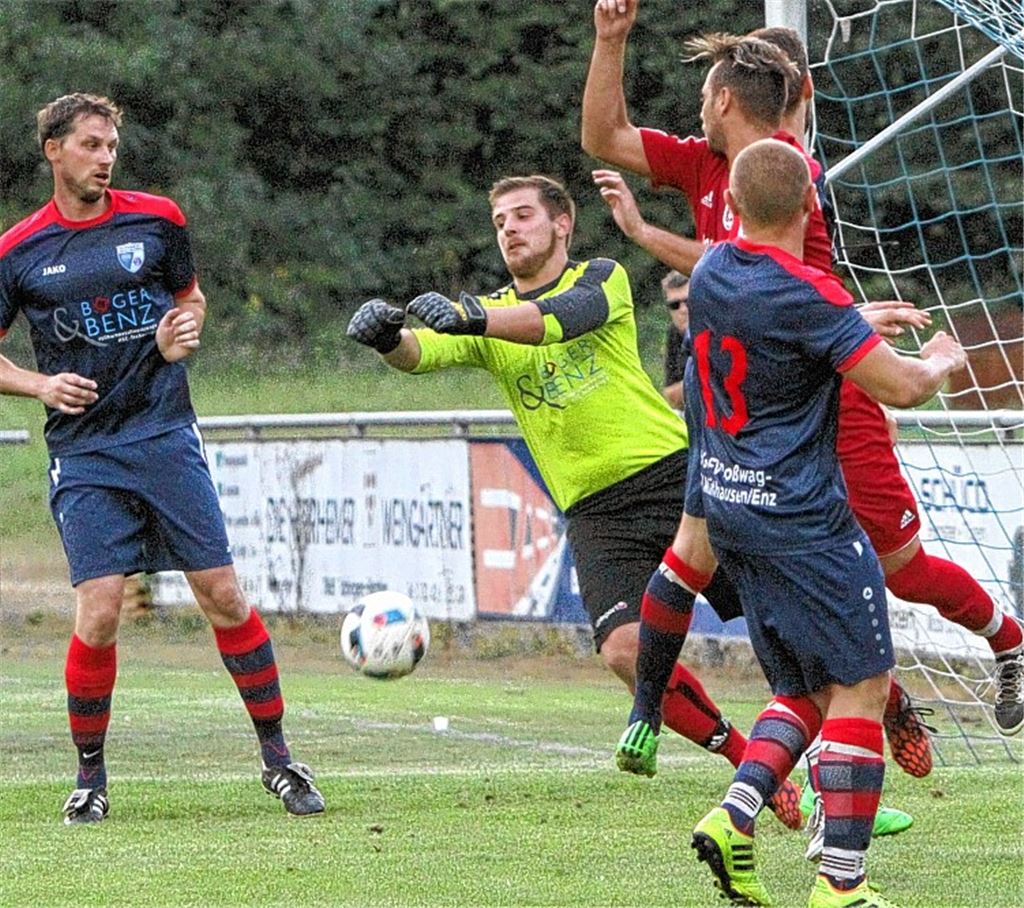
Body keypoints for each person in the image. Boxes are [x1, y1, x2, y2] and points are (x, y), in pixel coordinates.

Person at [583, 3, 1022, 789]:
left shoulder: (792, 177)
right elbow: (607, 142)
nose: (695, 110)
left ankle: (996, 647)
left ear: (725, 100)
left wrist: (650, 238)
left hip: (825, 390)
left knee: (895, 566)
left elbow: (771, 294)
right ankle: (676, 719)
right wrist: (608, 40)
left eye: (705, 94)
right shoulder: (702, 164)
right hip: (748, 401)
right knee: (701, 557)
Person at [346, 173, 802, 828]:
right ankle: (750, 761)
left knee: (781, 620)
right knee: (623, 651)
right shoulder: (492, 311)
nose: (509, 228)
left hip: (675, 480)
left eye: (523, 215)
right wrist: (387, 338)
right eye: (500, 218)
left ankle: (868, 729)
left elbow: (563, 320)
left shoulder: (602, 276)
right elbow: (423, 353)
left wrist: (475, 315)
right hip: (594, 511)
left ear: (562, 224)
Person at [0, 93, 325, 823]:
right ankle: (90, 778)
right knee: (101, 610)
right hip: (84, 453)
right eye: (89, 145)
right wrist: (39, 383)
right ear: (54, 150)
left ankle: (279, 760)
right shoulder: (18, 250)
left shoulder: (157, 219)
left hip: (164, 435)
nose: (104, 157)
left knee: (224, 595)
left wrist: (181, 333)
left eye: (111, 145)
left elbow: (190, 298)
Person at [688, 138, 966, 908]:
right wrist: (942, 359)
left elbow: (788, 326)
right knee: (864, 686)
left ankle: (733, 814)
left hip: (733, 515)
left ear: (733, 207)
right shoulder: (808, 295)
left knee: (809, 689)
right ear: (811, 205)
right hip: (806, 521)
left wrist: (850, 318)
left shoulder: (711, 273)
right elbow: (903, 388)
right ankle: (841, 882)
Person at [660, 270, 690, 410]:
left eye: (689, 301)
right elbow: (670, 395)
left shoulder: (719, 325)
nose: (683, 310)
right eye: (674, 305)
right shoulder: (674, 334)